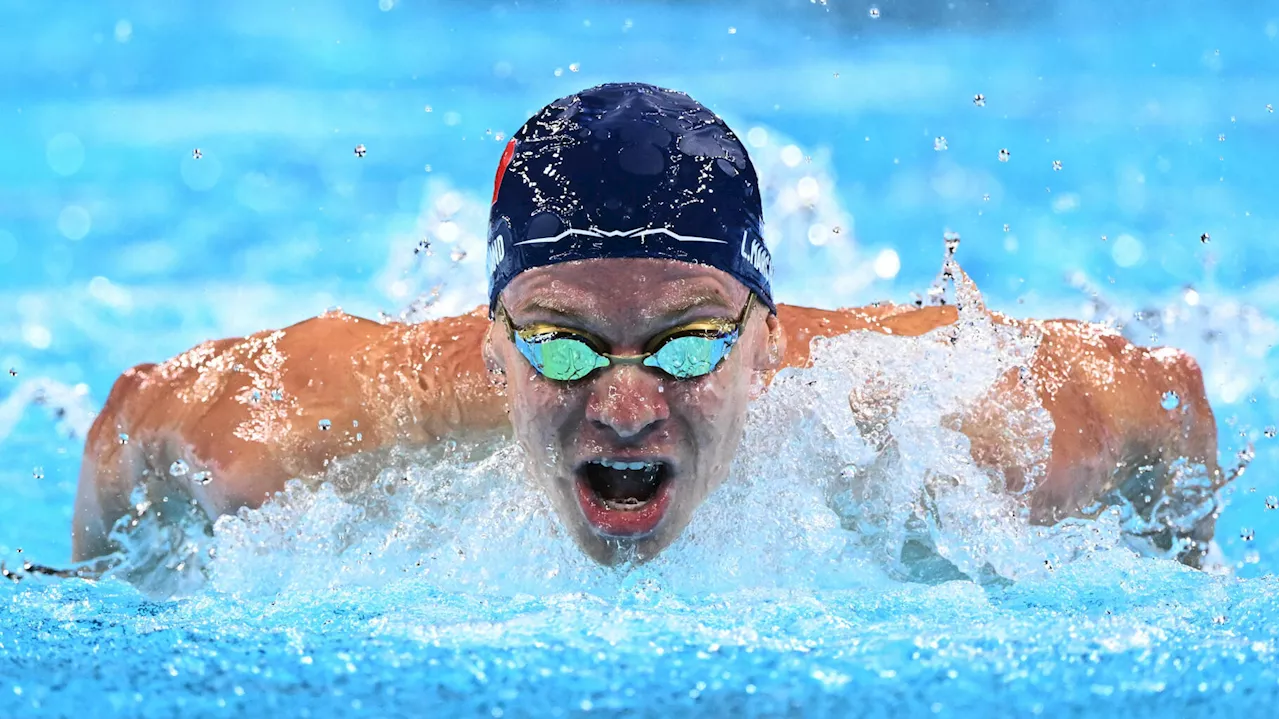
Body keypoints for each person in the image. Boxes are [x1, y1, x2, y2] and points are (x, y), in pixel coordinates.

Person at [70, 82, 1223, 574]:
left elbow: (1161, 391)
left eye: (688, 345)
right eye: (562, 347)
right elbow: (131, 415)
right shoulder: (299, 427)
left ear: (768, 342)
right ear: (485, 343)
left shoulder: (972, 422)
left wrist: (1184, 570)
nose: (624, 406)